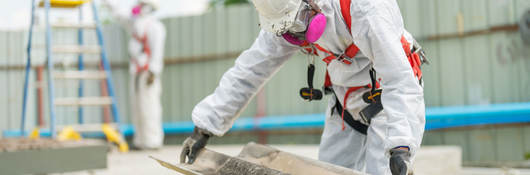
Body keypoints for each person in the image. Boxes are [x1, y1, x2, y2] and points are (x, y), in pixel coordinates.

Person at [180, 0, 426, 174]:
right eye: (287, 32)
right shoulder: (286, 19)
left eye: (297, 28)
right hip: (345, 103)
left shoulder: (365, 9)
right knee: (327, 171)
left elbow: (398, 79)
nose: (294, 39)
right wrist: (205, 126)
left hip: (386, 100)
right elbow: (250, 70)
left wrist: (401, 145)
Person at [104, 0, 166, 150]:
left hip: (148, 73)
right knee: (137, 107)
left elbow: (157, 52)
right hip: (136, 70)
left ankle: (153, 141)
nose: (138, 6)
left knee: (150, 107)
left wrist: (153, 71)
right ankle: (140, 140)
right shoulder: (136, 23)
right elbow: (120, 16)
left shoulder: (155, 27)